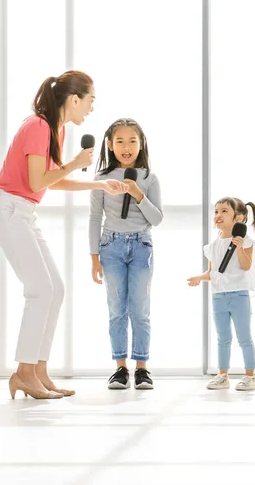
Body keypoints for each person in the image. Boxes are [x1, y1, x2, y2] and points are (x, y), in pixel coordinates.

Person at [0, 71, 128, 399]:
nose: (91, 107)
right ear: (74, 98)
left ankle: (37, 371)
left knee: (55, 289)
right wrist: (76, 162)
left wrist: (98, 183)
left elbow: (52, 180)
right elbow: (37, 181)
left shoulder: (55, 130)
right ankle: (23, 373)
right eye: (90, 99)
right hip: (7, 210)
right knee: (40, 289)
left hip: (23, 212)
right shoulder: (38, 126)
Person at [90, 119, 163, 390]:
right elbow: (94, 217)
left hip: (142, 246)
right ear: (109, 145)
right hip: (111, 247)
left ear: (141, 144)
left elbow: (157, 219)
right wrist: (93, 256)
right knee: (116, 309)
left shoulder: (149, 178)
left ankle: (142, 368)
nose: (126, 147)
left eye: (132, 141)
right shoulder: (101, 179)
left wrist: (138, 193)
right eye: (119, 141)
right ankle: (120, 368)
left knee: (140, 309)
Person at [187, 198, 255, 391]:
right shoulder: (212, 246)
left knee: (244, 336)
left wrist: (238, 247)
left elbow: (246, 265)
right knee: (223, 337)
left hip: (239, 295)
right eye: (216, 211)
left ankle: (249, 376)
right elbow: (214, 272)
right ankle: (223, 375)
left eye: (224, 211)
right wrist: (199, 277)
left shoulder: (245, 241)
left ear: (239, 217)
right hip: (218, 296)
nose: (218, 215)